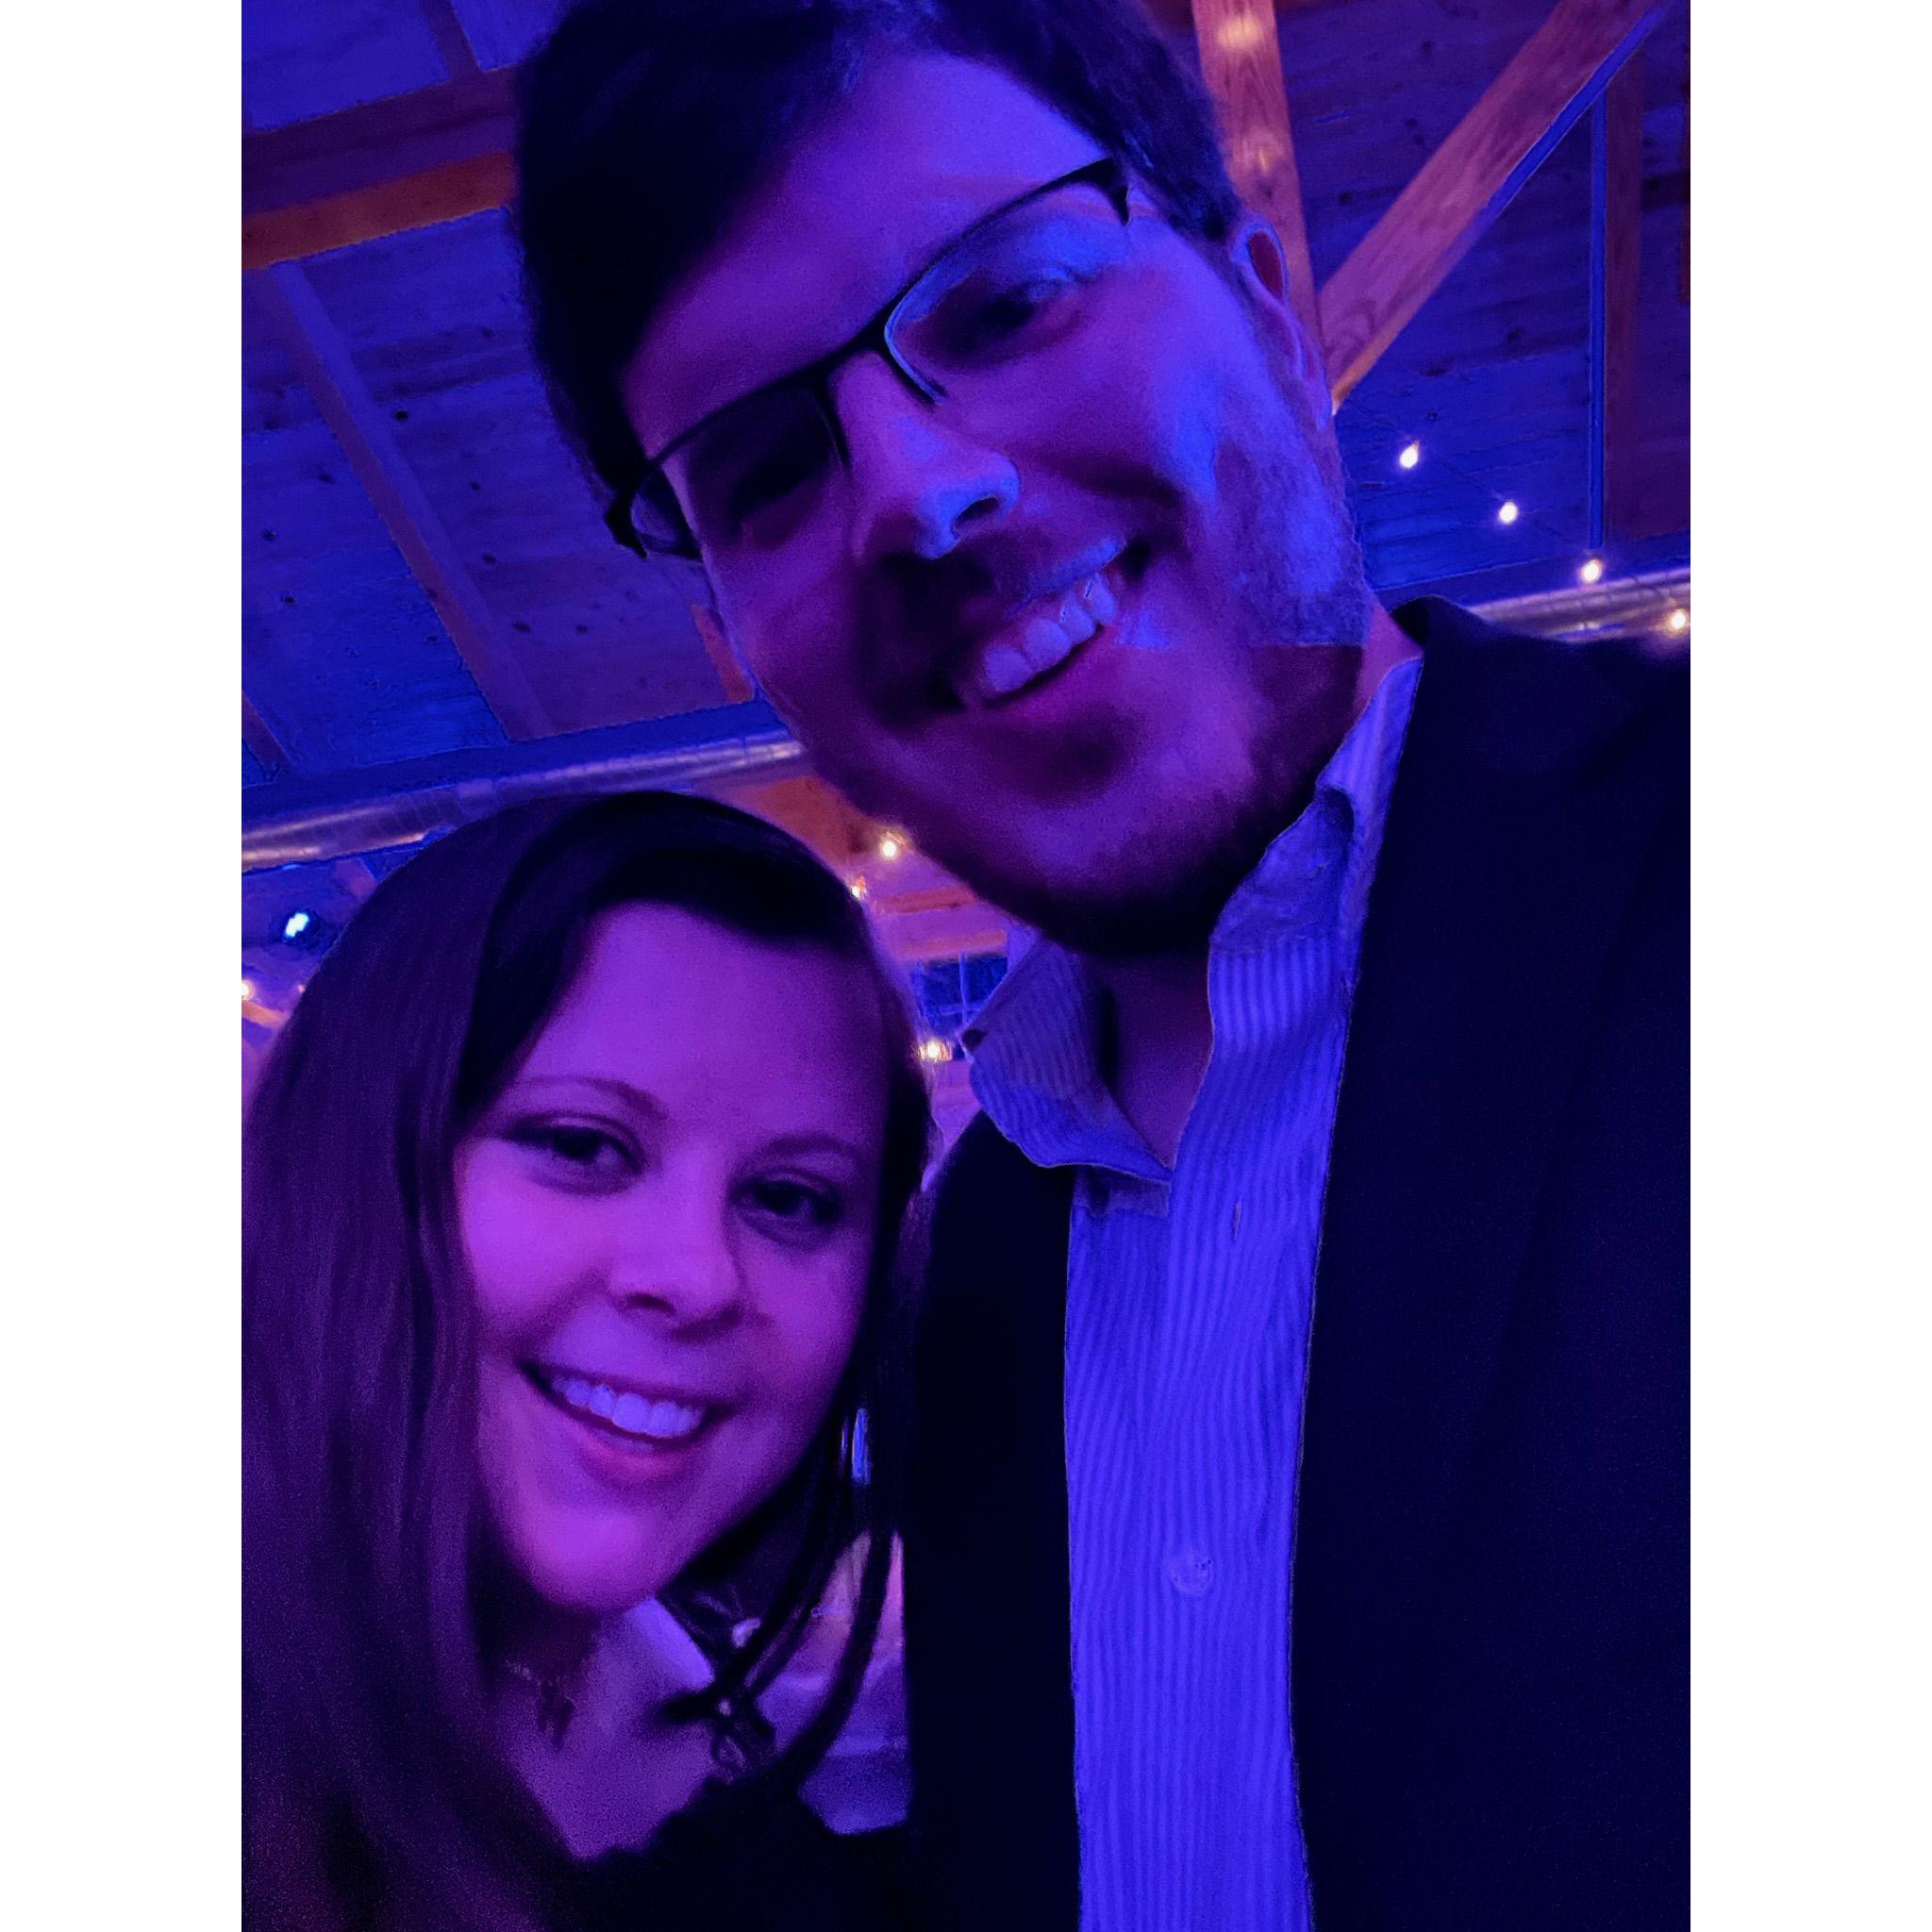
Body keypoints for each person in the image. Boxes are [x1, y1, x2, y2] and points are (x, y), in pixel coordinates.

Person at [514, 4, 1690, 1928]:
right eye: (767, 467)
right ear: (731, 637)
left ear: (1268, 308)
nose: (915, 493)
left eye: (1005, 303)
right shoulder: (968, 1266)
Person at [243, 791, 932, 1932]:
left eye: (788, 1197)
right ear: (353, 1162)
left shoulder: (711, 1684)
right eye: (580, 1143)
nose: (698, 1276)